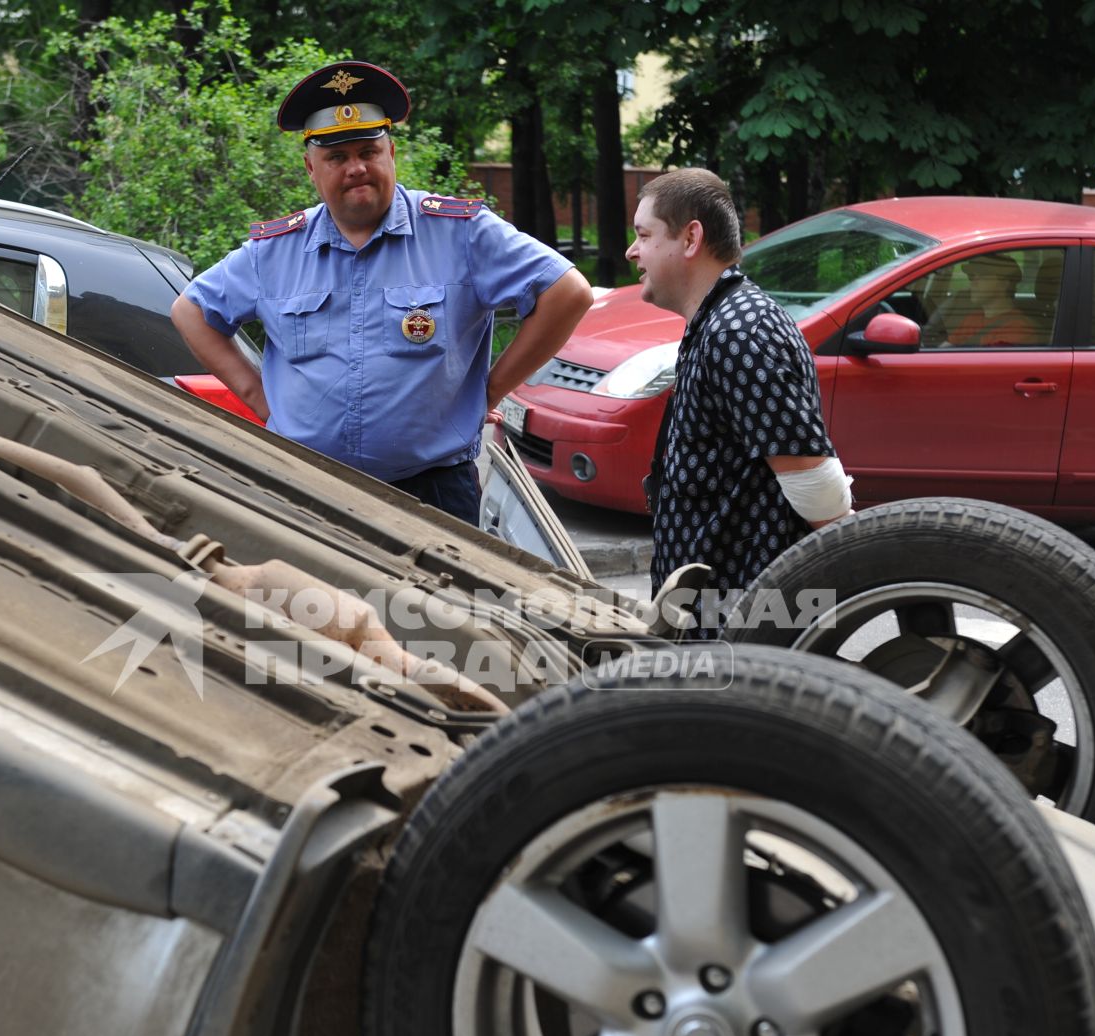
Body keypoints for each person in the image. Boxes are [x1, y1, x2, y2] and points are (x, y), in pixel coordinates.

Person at [170, 61, 593, 523]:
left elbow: (567, 292)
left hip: (431, 492)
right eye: (337, 157)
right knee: (312, 597)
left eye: (368, 152)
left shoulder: (462, 233)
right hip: (307, 486)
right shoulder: (274, 252)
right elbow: (191, 310)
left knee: (430, 600)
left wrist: (490, 391)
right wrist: (255, 394)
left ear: (391, 153)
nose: (355, 168)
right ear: (312, 168)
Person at [627, 168, 850, 630]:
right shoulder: (718, 321)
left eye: (643, 235)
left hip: (741, 627)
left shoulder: (740, 331)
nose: (632, 251)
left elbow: (815, 485)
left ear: (690, 238)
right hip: (714, 619)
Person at [940, 253, 1039, 346]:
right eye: (972, 276)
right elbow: (946, 349)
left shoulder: (1017, 328)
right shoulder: (975, 316)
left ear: (1003, 284)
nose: (973, 282)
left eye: (983, 276)